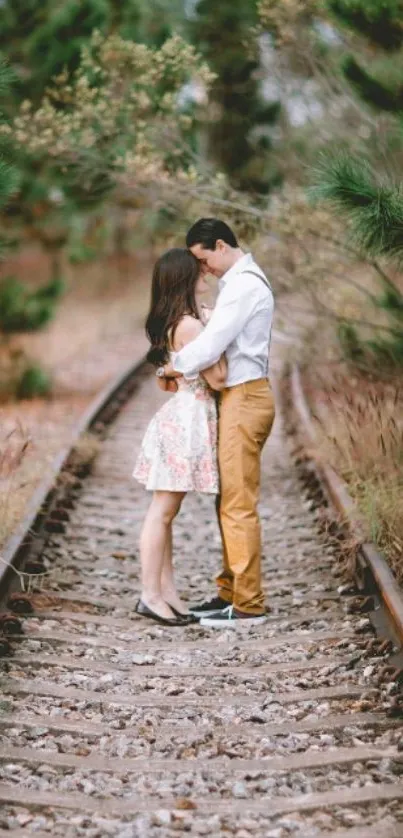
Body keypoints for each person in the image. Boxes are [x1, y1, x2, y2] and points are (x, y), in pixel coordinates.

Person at [161, 218, 275, 627]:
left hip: (245, 398)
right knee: (226, 498)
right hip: (239, 399)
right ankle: (230, 591)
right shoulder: (237, 284)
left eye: (202, 258)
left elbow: (211, 346)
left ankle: (247, 604)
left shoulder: (244, 285)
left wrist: (172, 368)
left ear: (221, 245)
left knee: (237, 503)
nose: (202, 268)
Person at [133, 248, 227, 626]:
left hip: (182, 415)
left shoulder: (182, 320)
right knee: (162, 512)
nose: (204, 272)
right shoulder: (189, 325)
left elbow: (170, 378)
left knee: (166, 513)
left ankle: (166, 592)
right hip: (186, 420)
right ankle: (150, 595)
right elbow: (217, 378)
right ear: (185, 278)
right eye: (197, 269)